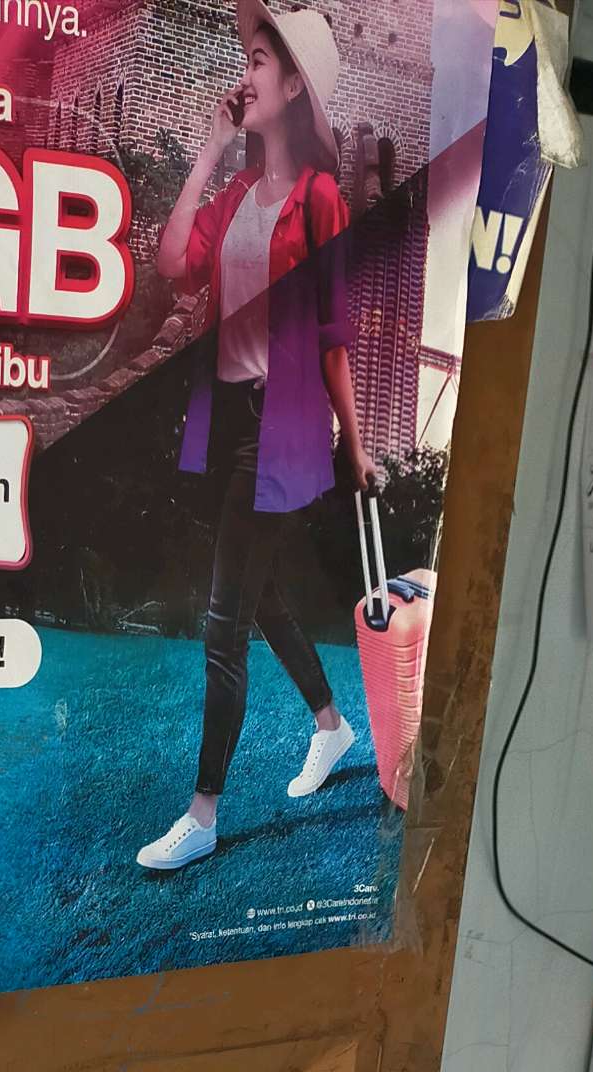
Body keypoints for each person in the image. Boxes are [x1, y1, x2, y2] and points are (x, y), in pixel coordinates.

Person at [136, 2, 377, 874]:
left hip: (283, 431)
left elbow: (334, 333)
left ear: (296, 87)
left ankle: (202, 815)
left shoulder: (321, 200)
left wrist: (356, 445)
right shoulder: (237, 195)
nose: (245, 75)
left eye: (259, 61)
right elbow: (173, 265)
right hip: (228, 419)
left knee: (222, 622)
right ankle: (331, 724)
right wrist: (207, 151)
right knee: (259, 593)